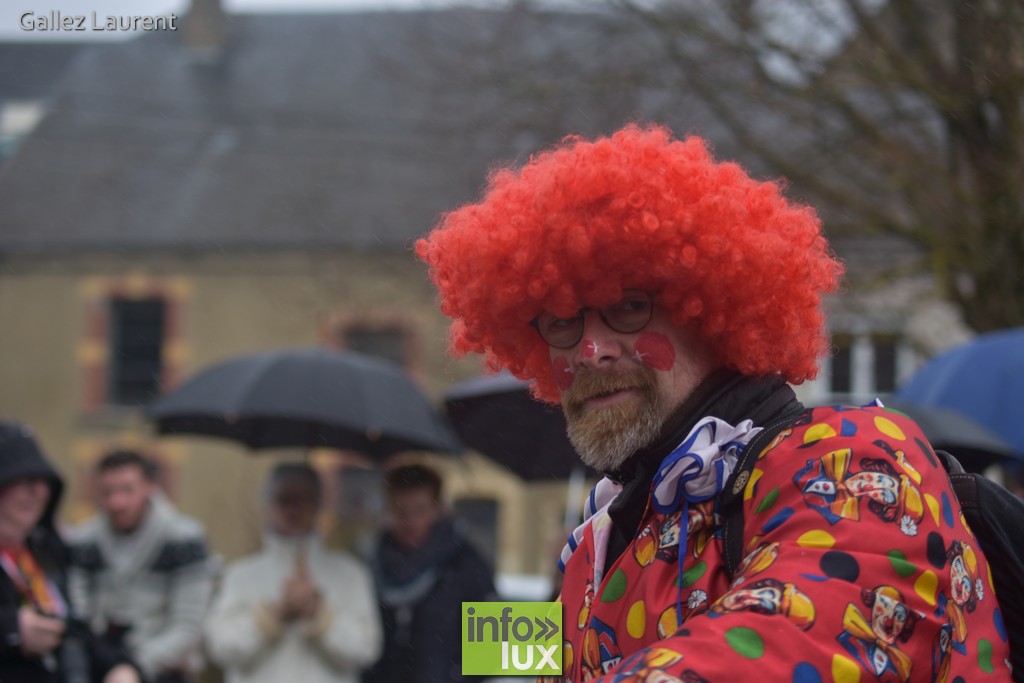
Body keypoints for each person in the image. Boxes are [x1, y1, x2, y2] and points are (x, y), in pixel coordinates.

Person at [415, 123, 1012, 681]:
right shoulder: (609, 537)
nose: (592, 349)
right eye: (564, 321)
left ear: (712, 308)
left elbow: (798, 637)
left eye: (629, 307)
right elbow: (536, 652)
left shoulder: (857, 460)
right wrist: (430, 624)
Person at [205, 462, 381, 683]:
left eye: (302, 499)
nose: (293, 509)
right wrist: (271, 617)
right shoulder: (240, 575)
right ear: (269, 504)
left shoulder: (349, 573)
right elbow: (221, 648)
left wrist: (319, 616)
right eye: (285, 500)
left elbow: (365, 650)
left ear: (317, 505)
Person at [0, 419, 140, 683]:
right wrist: (12, 629)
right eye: (22, 479)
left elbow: (70, 629)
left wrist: (120, 668)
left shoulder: (43, 554)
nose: (35, 491)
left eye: (42, 481)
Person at [67, 450, 214, 683]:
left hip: (165, 673)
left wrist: (136, 667)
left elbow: (188, 624)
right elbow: (78, 612)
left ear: (150, 487)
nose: (117, 502)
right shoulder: (84, 540)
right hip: (99, 668)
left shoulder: (184, 539)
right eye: (107, 492)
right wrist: (108, 662)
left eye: (127, 490)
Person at [362, 463, 496, 683]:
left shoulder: (467, 565)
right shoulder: (372, 564)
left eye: (420, 510)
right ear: (388, 509)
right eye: (401, 511)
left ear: (438, 509)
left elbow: (496, 648)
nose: (411, 521)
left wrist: (455, 675)